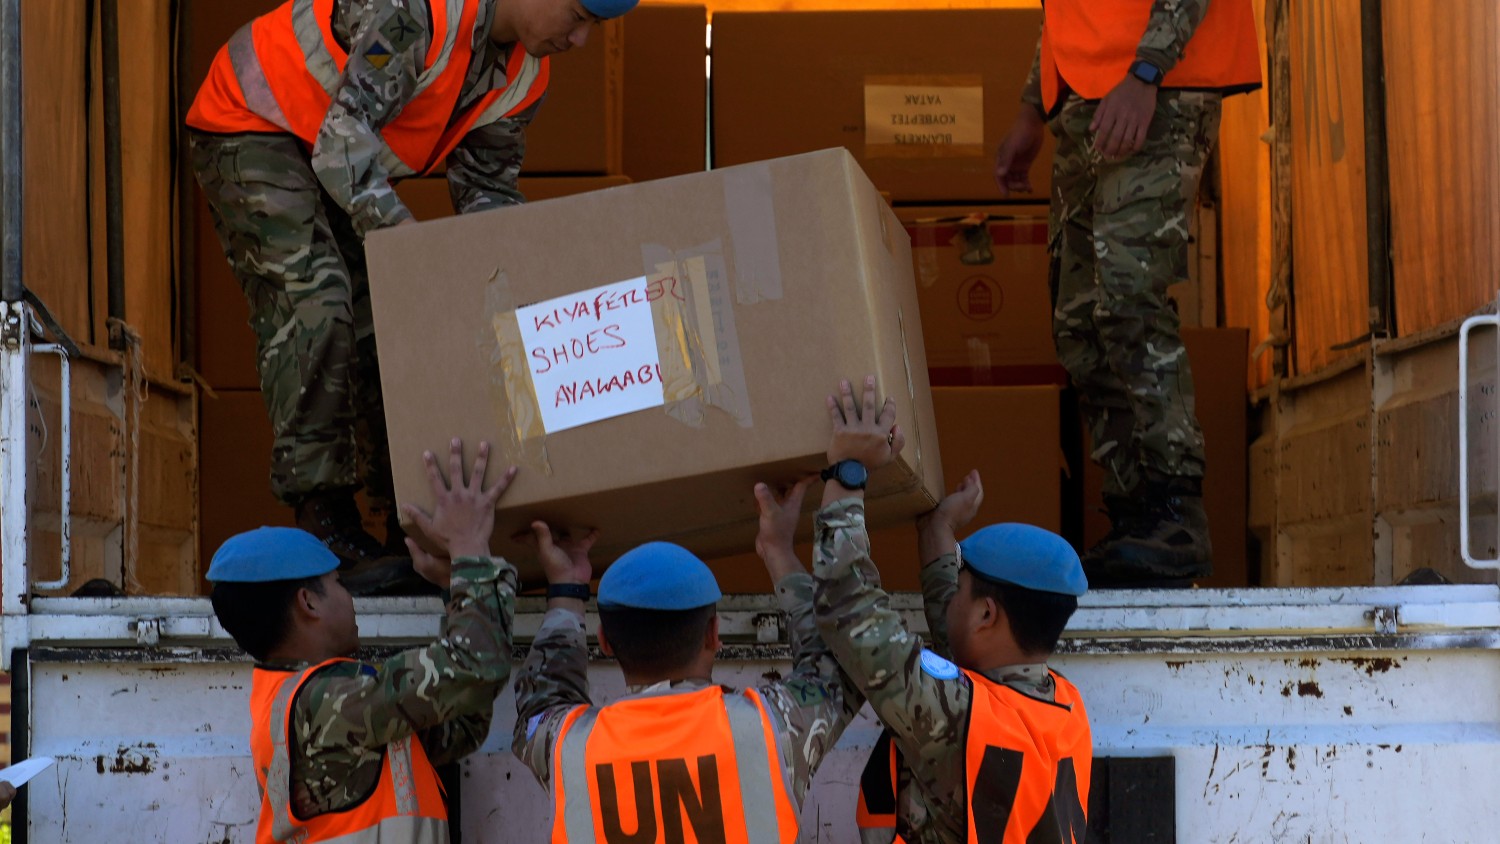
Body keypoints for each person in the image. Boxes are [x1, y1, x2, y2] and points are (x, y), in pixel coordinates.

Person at [186, 0, 638, 586]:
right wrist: (412, 249)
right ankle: (322, 513)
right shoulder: (416, 14)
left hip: (328, 154)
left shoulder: (527, 75)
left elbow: (486, 191)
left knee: (393, 323)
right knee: (319, 304)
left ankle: (400, 521)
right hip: (254, 121)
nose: (580, 40)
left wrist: (510, 296)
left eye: (594, 27)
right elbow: (342, 140)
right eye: (578, 16)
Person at [993, 0, 1261, 585]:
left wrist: (1147, 71)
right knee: (1080, 321)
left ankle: (1175, 510)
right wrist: (1032, 109)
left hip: (1159, 89)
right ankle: (1138, 515)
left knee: (1128, 301)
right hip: (1086, 101)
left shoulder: (1151, 77)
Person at [813, 377, 1093, 844]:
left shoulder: (956, 718)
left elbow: (850, 609)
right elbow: (960, 646)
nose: (952, 599)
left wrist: (849, 471)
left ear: (986, 615)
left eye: (961, 588)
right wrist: (939, 527)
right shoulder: (1061, 707)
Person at [511, 477, 862, 842]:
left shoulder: (567, 744)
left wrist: (566, 590)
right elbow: (841, 666)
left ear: (605, 643)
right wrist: (779, 553)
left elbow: (541, 700)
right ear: (713, 634)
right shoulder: (772, 725)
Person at [207, 439, 518, 842]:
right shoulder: (325, 704)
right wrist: (470, 552)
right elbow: (475, 669)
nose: (350, 598)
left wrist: (457, 589)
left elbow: (461, 720)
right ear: (309, 603)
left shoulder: (315, 701)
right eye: (339, 584)